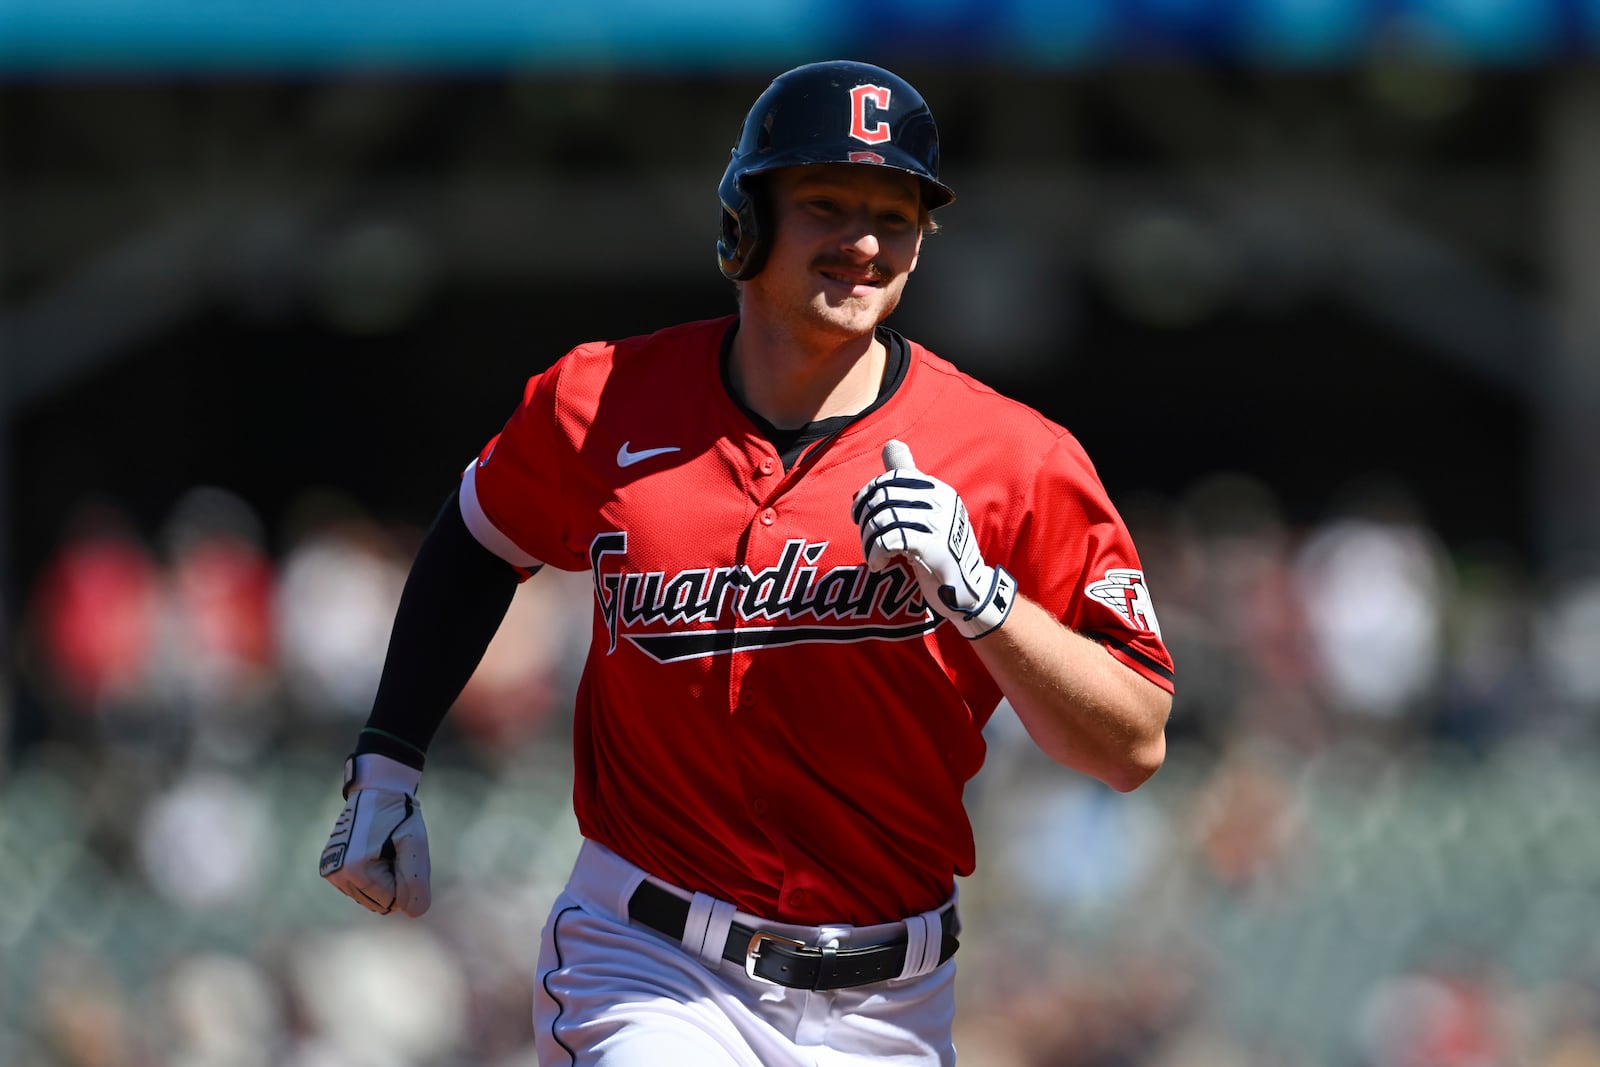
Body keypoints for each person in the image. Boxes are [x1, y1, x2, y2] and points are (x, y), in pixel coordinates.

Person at [318, 59, 1175, 1066]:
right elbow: (476, 538)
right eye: (824, 204)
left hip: (891, 1003)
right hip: (651, 959)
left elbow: (1133, 743)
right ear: (746, 220)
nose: (861, 242)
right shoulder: (602, 399)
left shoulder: (1014, 456)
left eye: (893, 217)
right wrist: (388, 754)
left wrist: (986, 601)